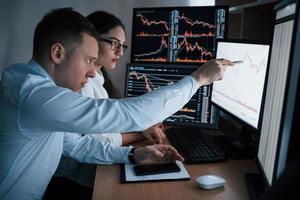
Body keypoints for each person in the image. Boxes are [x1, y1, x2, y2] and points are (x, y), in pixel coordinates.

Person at [0, 7, 232, 200]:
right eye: (88, 60)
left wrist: (132, 155)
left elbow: (76, 146)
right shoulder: (32, 94)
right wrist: (198, 79)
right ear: (58, 53)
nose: (92, 72)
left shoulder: (35, 90)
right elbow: (128, 115)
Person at [82, 11, 165, 146]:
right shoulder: (83, 84)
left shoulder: (100, 79)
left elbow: (108, 127)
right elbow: (101, 140)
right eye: (114, 43)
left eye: (122, 45)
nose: (120, 52)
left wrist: (143, 128)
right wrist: (140, 133)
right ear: (92, 40)